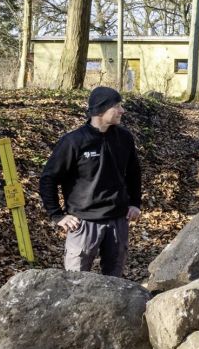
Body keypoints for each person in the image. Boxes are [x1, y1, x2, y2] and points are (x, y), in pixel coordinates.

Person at [39, 86, 142, 276]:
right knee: (74, 282)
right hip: (83, 224)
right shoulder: (74, 141)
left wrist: (135, 203)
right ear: (101, 110)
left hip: (118, 221)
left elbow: (134, 173)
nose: (122, 111)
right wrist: (57, 215)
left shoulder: (124, 138)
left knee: (114, 282)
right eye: (117, 106)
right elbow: (48, 179)